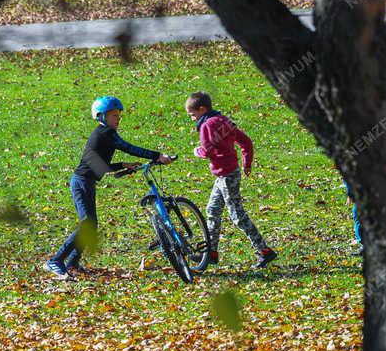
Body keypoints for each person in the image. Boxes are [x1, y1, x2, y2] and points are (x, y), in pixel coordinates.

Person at [44, 96, 173, 280]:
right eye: (113, 115)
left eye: (119, 115)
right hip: (81, 183)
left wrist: (123, 165)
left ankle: (72, 263)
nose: (118, 118)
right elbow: (128, 147)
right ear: (101, 117)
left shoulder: (104, 135)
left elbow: (100, 167)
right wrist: (156, 155)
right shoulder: (105, 133)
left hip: (87, 182)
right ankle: (56, 260)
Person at [185, 91, 277, 271]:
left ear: (202, 109)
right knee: (212, 210)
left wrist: (197, 152)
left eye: (193, 115)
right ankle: (210, 253)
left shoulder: (207, 126)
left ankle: (264, 251)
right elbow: (246, 141)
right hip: (227, 174)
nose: (192, 119)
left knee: (237, 216)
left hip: (226, 176)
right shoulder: (222, 120)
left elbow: (208, 150)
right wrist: (246, 163)